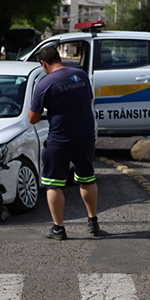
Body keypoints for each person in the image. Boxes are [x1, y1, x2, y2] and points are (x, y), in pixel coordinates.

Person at [28, 46, 100, 240]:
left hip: (60, 139)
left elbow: (32, 118)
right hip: (85, 136)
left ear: (44, 64)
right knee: (87, 178)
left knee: (53, 183)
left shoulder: (45, 84)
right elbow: (89, 99)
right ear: (59, 58)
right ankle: (93, 221)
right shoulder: (80, 75)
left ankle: (59, 229)